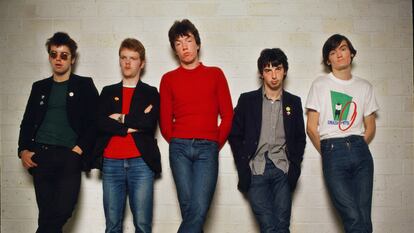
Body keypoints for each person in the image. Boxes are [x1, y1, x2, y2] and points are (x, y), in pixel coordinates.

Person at [18, 32, 99, 233]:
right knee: (47, 214)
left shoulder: (84, 85)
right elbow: (27, 122)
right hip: (41, 156)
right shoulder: (39, 87)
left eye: (64, 55)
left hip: (69, 156)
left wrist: (80, 149)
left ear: (72, 58)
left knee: (62, 210)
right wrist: (23, 151)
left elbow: (96, 122)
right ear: (49, 57)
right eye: (54, 54)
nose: (58, 59)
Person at [159, 19, 233, 233]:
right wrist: (177, 140)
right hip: (179, 148)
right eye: (179, 43)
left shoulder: (215, 74)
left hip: (207, 148)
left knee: (198, 210)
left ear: (197, 44)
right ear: (175, 49)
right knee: (189, 209)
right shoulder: (168, 79)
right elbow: (164, 121)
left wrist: (213, 143)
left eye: (188, 40)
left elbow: (227, 115)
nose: (184, 46)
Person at [306, 34, 379, 233]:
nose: (339, 54)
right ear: (327, 60)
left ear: (352, 54)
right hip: (332, 149)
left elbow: (370, 126)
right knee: (352, 216)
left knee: (364, 216)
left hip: (360, 151)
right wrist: (331, 151)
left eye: (343, 48)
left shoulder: (365, 87)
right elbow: (312, 127)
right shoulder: (320, 85)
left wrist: (356, 145)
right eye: (333, 51)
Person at [228, 48, 306, 233]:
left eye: (278, 69)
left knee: (282, 226)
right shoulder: (247, 100)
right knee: (268, 227)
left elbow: (300, 138)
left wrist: (294, 167)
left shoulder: (293, 102)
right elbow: (235, 135)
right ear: (261, 74)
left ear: (284, 71)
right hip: (256, 169)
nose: (273, 75)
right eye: (268, 70)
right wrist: (243, 167)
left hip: (282, 169)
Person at [94, 38, 161, 233]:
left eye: (133, 58)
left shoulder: (150, 92)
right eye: (123, 57)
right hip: (111, 162)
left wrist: (120, 118)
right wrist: (132, 124)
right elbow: (100, 123)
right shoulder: (108, 92)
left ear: (142, 63)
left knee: (142, 224)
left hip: (141, 163)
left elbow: (148, 124)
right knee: (112, 225)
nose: (127, 62)